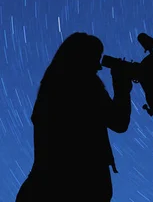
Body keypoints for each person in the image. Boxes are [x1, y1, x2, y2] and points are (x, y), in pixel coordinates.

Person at [16, 32, 133, 202]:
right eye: (95, 59)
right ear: (82, 57)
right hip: (80, 185)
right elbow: (119, 122)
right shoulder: (85, 84)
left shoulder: (50, 86)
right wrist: (121, 86)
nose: (98, 67)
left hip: (41, 186)